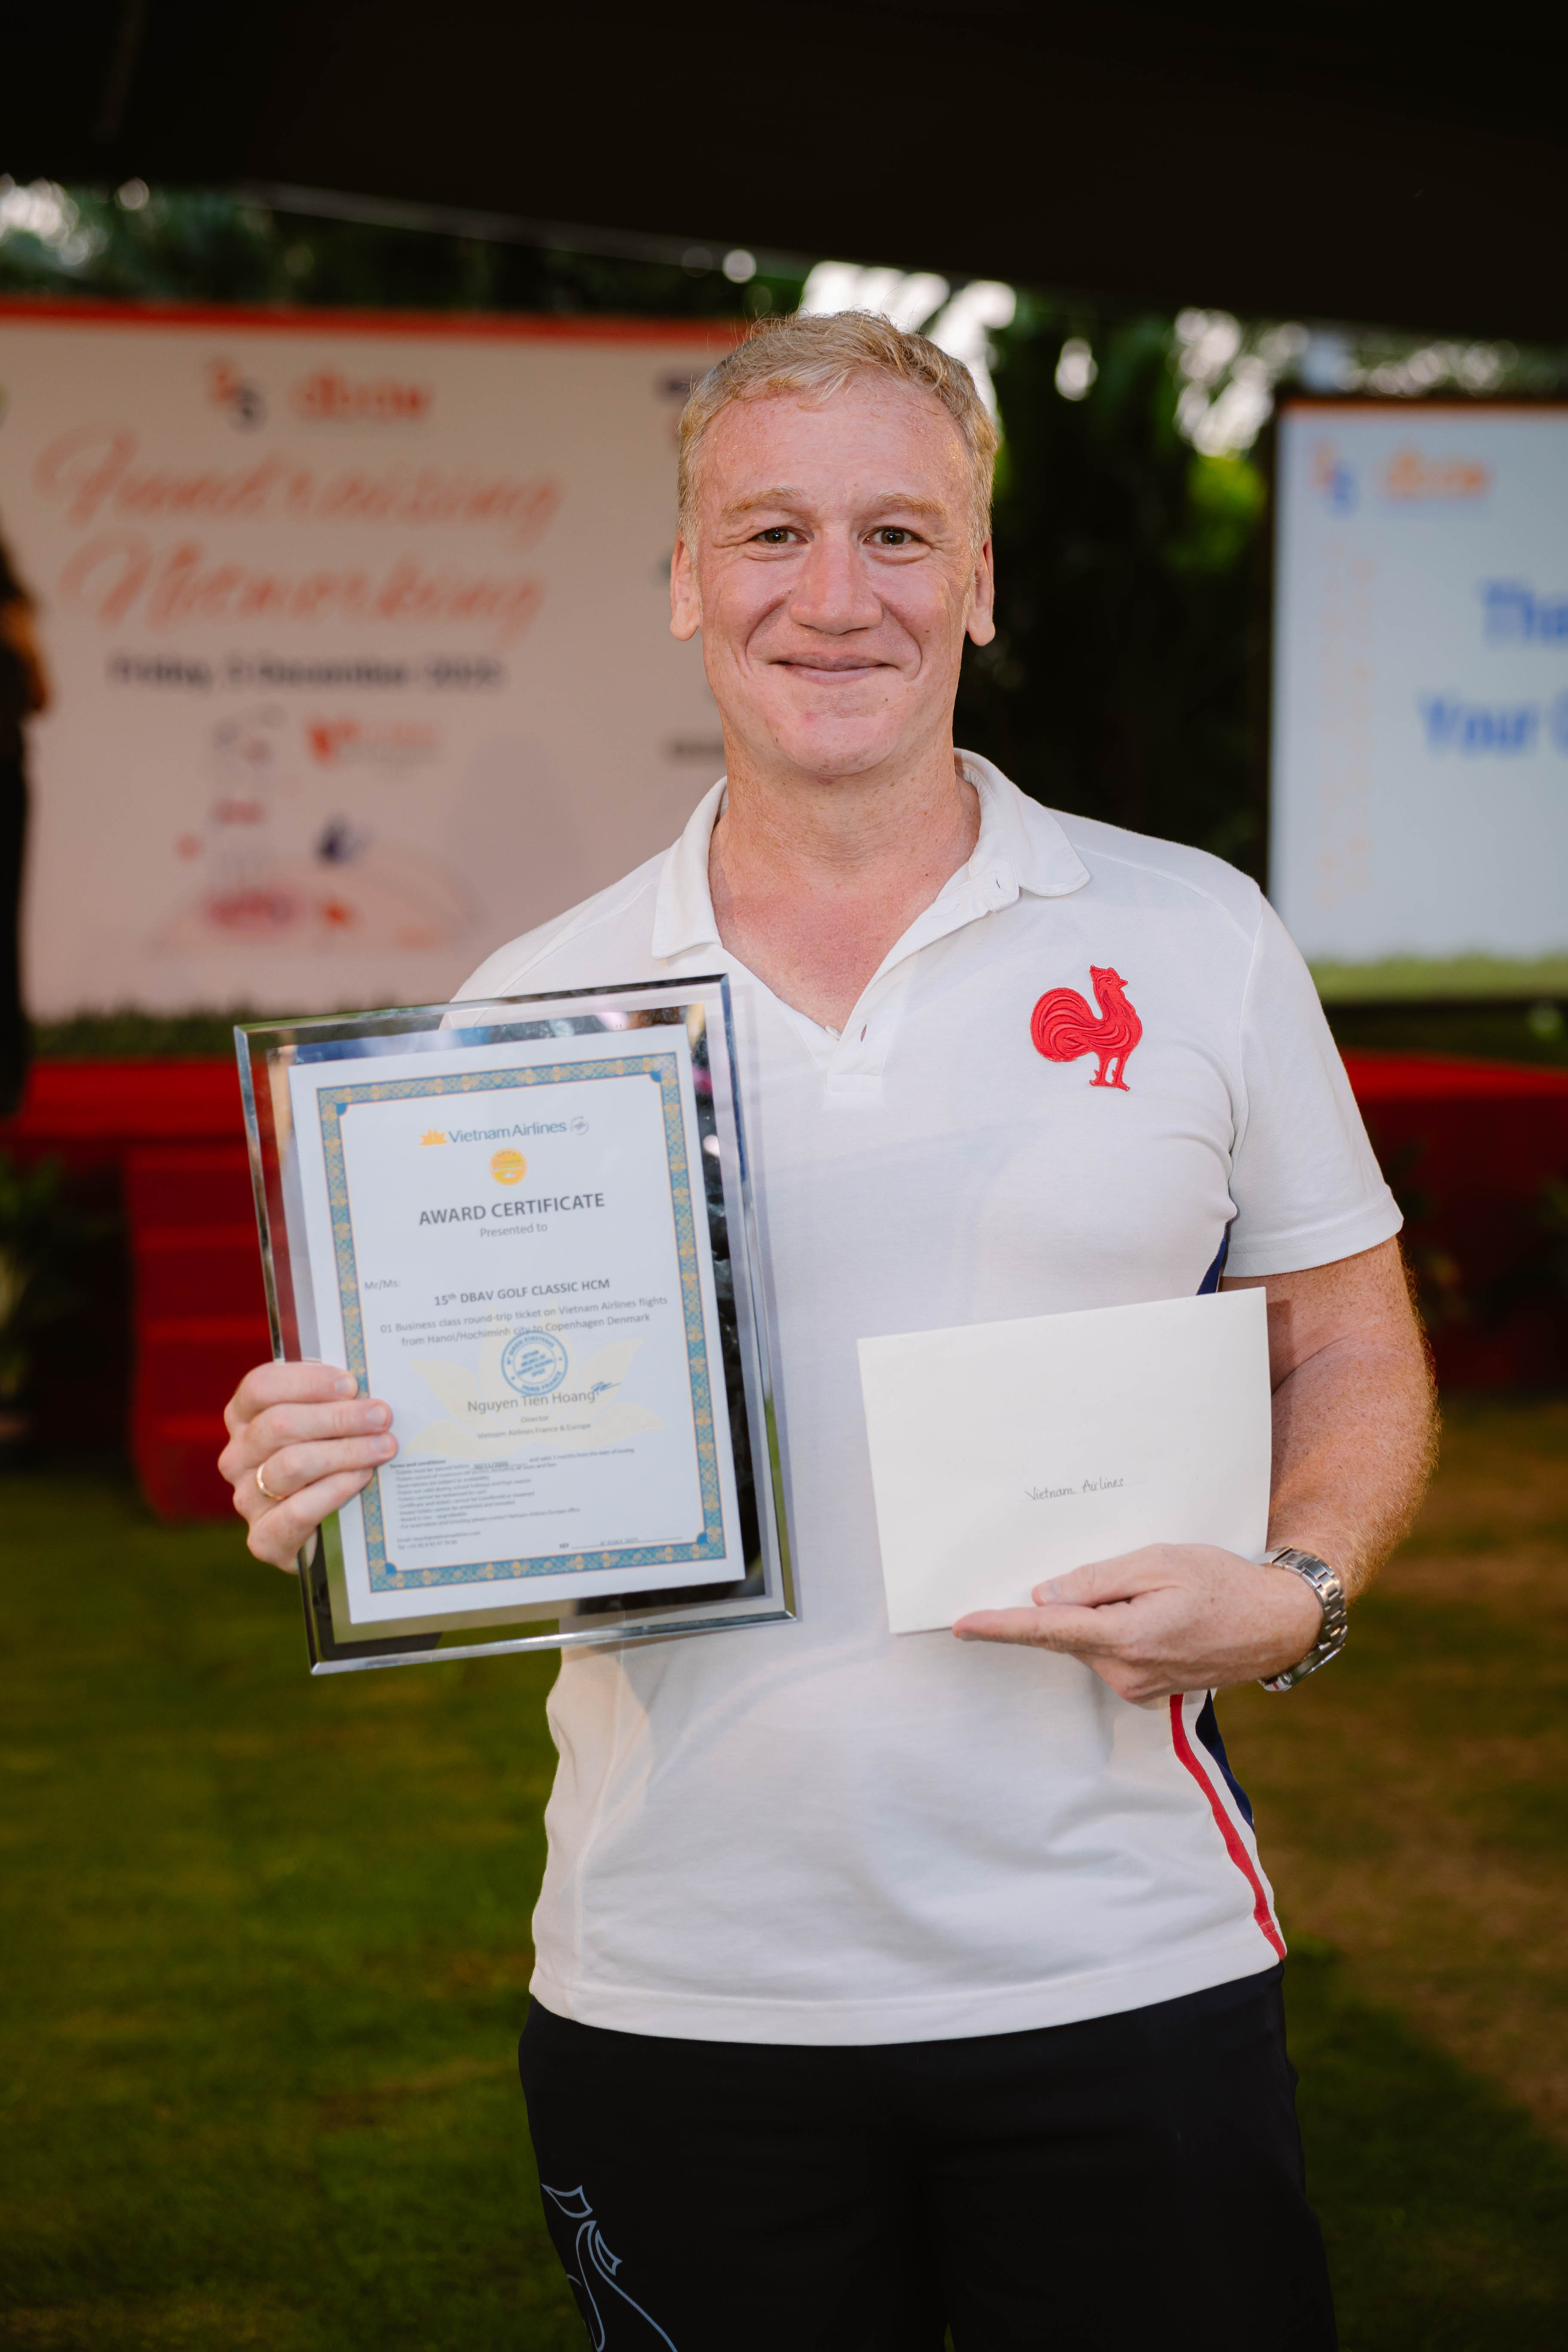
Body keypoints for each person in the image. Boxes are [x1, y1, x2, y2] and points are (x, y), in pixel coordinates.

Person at [218, 312, 1433, 2350]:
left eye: (898, 531)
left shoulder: (1193, 931)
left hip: (1115, 1954)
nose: (835, 593)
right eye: (771, 531)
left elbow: (1351, 1340)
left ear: (980, 580)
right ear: (685, 578)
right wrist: (333, 1469)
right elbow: (443, 1422)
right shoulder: (534, 1003)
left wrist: (1297, 1589)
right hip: (679, 1979)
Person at [0, 529, 51, 1115]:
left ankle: (8, 1076)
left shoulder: (13, 612)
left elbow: (42, 698)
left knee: (3, 927)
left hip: (4, 780)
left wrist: (26, 645)